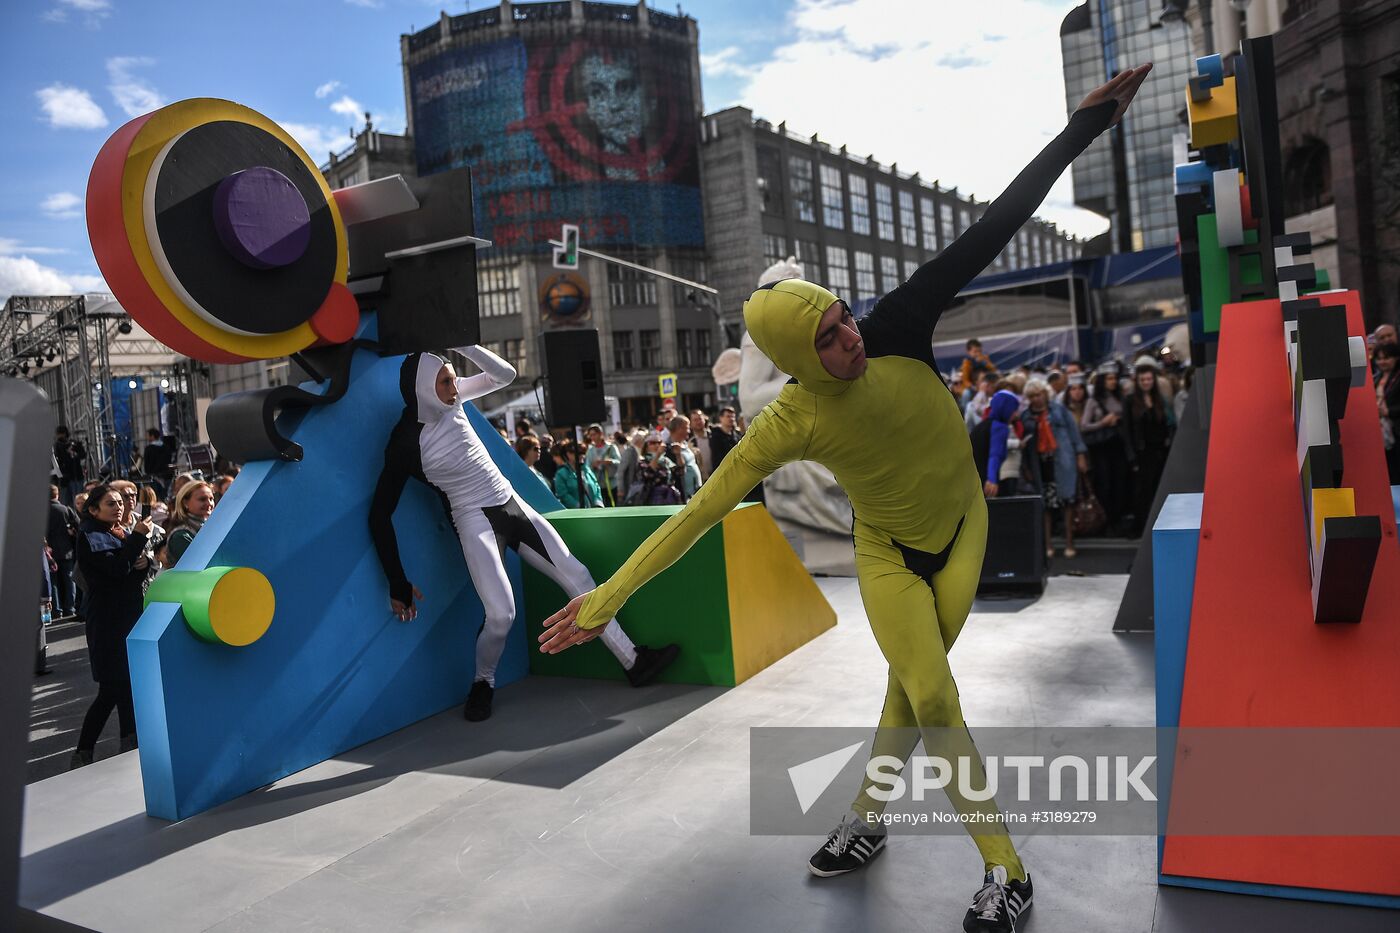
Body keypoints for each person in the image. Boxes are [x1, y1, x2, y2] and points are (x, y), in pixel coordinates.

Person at [536, 65, 1151, 933]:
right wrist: (603, 600)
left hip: (967, 527)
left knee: (912, 691)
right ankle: (1006, 871)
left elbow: (1000, 219)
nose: (849, 338)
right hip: (887, 553)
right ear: (796, 357)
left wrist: (1088, 124)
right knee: (931, 697)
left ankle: (868, 819)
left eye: (843, 318)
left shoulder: (898, 320)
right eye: (826, 337)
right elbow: (698, 515)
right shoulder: (786, 422)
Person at [368, 347, 678, 722]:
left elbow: (505, 376)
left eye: (454, 378)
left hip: (511, 503)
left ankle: (633, 661)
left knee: (578, 575)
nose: (454, 387)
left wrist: (464, 344)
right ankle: (483, 682)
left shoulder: (455, 399)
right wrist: (397, 582)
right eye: (445, 381)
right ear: (421, 390)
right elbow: (379, 514)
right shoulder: (403, 444)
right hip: (473, 521)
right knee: (501, 616)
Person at [71, 484, 153, 767]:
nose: (119, 507)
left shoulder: (118, 532)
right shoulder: (91, 536)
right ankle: (84, 752)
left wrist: (144, 563)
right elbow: (116, 572)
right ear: (93, 509)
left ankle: (129, 742)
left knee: (127, 685)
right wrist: (139, 541)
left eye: (120, 502)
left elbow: (130, 576)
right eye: (110, 503)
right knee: (111, 688)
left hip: (126, 617)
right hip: (107, 623)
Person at [1021, 378, 1089, 559]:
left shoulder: (1059, 410)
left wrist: (1080, 455)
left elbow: (1074, 433)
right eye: (1033, 396)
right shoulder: (1026, 417)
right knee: (1046, 507)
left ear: (1045, 393)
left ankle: (1069, 542)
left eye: (1040, 394)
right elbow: (1025, 447)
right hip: (1041, 465)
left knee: (1068, 503)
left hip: (1063, 461)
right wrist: (1026, 468)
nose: (1037, 399)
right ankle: (1048, 544)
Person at [1081, 366, 1133, 534]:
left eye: (1114, 378)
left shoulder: (1120, 397)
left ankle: (1118, 517)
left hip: (1118, 444)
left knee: (1120, 482)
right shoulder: (1094, 400)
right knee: (1105, 483)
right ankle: (1108, 520)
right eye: (1109, 379)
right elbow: (1084, 425)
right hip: (1102, 447)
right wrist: (1103, 422)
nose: (1113, 382)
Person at [1125, 362, 1174, 536]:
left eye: (1149, 379)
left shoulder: (1159, 399)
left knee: (1157, 488)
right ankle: (1140, 526)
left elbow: (1166, 423)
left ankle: (1157, 524)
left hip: (1159, 449)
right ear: (1137, 381)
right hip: (1142, 452)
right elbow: (1127, 430)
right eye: (1143, 379)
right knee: (1142, 491)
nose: (1146, 382)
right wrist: (1131, 455)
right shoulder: (1131, 401)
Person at [46, 484, 81, 620]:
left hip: (49, 552)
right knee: (69, 580)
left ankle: (56, 609)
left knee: (52, 582)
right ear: (57, 494)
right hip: (66, 550)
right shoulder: (66, 510)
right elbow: (79, 526)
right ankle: (70, 608)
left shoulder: (42, 512)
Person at [162, 481, 214, 567]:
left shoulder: (213, 528)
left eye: (211, 499)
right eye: (202, 499)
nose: (209, 503)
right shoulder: (180, 536)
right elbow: (201, 566)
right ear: (185, 503)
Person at [1374, 343, 1400, 483]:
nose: (1382, 361)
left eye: (1387, 358)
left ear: (1396, 358)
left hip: (1396, 429)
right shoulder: (1376, 378)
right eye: (1379, 358)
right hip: (1382, 433)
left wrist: (1388, 411)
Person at [553, 438, 605, 508]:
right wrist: (579, 507)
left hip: (594, 512)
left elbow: (597, 486)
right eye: (579, 453)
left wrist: (598, 503)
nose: (582, 455)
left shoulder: (587, 470)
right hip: (576, 514)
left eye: (583, 452)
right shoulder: (561, 474)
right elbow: (563, 495)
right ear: (568, 454)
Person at [584, 424, 621, 506]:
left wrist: (610, 461)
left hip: (611, 484)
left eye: (594, 434)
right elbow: (586, 467)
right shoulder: (590, 450)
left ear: (600, 434)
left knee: (613, 506)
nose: (592, 437)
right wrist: (593, 465)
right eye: (590, 435)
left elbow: (619, 461)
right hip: (598, 485)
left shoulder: (611, 447)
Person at [666, 415, 702, 499]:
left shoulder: (686, 444)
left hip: (695, 492)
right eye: (687, 428)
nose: (689, 431)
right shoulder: (669, 448)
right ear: (679, 428)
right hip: (682, 495)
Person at [54, 425, 87, 506]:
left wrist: (74, 453)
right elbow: (57, 459)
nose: (59, 436)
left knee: (78, 499)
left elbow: (83, 455)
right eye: (58, 434)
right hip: (64, 477)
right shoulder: (57, 446)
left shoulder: (75, 443)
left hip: (76, 475)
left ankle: (79, 515)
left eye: (61, 434)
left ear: (65, 434)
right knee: (65, 501)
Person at [141, 428, 173, 498]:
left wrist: (147, 473)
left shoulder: (149, 449)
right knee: (166, 495)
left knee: (156, 496)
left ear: (152, 436)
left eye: (148, 436)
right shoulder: (166, 447)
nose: (147, 438)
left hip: (154, 477)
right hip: (166, 476)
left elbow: (147, 464)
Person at [688, 410, 713, 480]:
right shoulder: (689, 441)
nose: (698, 422)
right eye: (695, 420)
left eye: (700, 419)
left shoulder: (713, 435)